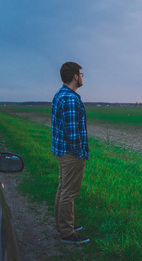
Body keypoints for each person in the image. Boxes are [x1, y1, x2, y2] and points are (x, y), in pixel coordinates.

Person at [52, 62, 90, 244]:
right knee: (69, 192)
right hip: (70, 154)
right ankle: (67, 232)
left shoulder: (60, 95)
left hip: (61, 151)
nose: (82, 77)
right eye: (81, 74)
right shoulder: (71, 99)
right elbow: (73, 133)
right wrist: (78, 153)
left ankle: (63, 224)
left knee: (62, 188)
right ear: (75, 76)